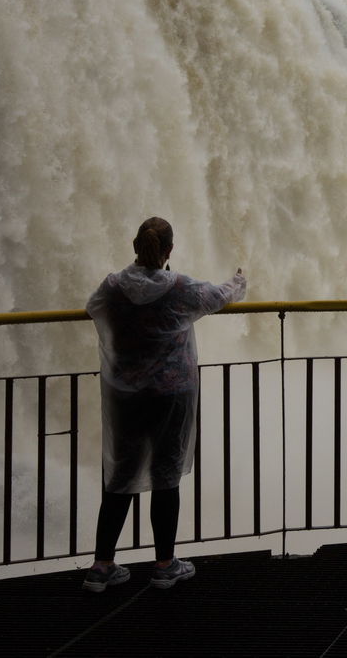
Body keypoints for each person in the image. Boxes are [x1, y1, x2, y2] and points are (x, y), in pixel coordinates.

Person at [82, 217, 246, 592]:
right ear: (169, 251)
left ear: (135, 245)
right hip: (172, 396)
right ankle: (164, 565)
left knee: (119, 477)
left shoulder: (113, 286)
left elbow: (94, 307)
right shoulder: (180, 288)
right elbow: (220, 296)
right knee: (166, 475)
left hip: (126, 395)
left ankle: (101, 566)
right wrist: (239, 280)